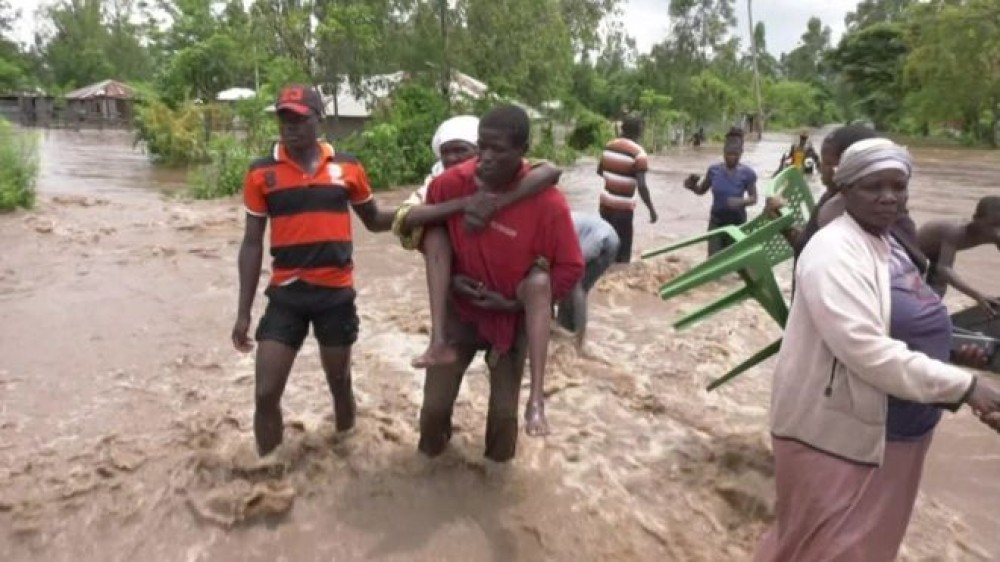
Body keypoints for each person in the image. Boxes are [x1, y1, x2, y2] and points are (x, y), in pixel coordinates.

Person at [756, 138, 1000, 561]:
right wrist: (967, 388)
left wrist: (948, 351)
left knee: (849, 546)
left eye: (898, 186)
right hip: (837, 435)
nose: (889, 198)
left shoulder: (887, 243)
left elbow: (897, 322)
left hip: (895, 431)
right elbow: (865, 350)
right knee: (824, 549)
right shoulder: (832, 252)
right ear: (845, 189)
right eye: (874, 187)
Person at [233, 84, 397, 456]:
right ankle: (268, 469)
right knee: (265, 392)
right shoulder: (261, 172)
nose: (291, 126)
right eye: (284, 118)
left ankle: (345, 453)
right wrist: (243, 312)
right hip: (286, 295)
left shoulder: (348, 167)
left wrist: (425, 215)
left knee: (339, 381)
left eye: (300, 118)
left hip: (335, 294)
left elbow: (373, 219)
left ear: (318, 120)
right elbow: (252, 243)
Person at [419, 104, 584, 462]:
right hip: (460, 313)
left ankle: (495, 487)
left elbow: (570, 267)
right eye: (483, 147)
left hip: (508, 321)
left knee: (504, 418)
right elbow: (430, 241)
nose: (486, 159)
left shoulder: (548, 203)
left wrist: (513, 303)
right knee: (433, 409)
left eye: (499, 150)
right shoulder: (449, 185)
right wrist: (452, 283)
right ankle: (429, 477)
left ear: (523, 151)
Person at [391, 115, 562, 368]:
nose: (451, 158)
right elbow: (402, 218)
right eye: (445, 152)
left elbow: (550, 170)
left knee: (504, 404)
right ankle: (439, 342)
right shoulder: (438, 184)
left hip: (504, 293)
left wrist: (499, 202)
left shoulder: (511, 174)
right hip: (457, 294)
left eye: (461, 150)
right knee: (436, 405)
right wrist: (464, 204)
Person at [917, 196, 1000, 315]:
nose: (997, 232)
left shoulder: (995, 235)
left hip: (937, 257)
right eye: (993, 225)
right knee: (916, 295)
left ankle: (929, 316)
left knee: (935, 298)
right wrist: (977, 295)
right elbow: (944, 268)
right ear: (976, 219)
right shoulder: (956, 230)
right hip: (914, 255)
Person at [683, 127, 758, 256]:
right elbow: (701, 191)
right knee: (713, 261)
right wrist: (691, 186)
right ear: (723, 152)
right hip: (716, 222)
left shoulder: (748, 174)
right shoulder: (713, 171)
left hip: (738, 225)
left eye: (735, 154)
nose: (731, 157)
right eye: (728, 153)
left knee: (734, 262)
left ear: (741, 153)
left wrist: (740, 201)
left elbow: (754, 199)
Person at [597, 114, 658, 263]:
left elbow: (600, 171)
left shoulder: (609, 145)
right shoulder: (639, 153)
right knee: (623, 256)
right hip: (623, 210)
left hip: (605, 206)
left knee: (606, 251)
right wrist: (651, 209)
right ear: (639, 130)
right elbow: (642, 186)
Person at [555, 212, 620, 349]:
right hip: (611, 238)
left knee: (576, 286)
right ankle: (568, 329)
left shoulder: (553, 227)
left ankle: (579, 339)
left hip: (599, 240)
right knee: (572, 285)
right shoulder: (558, 219)